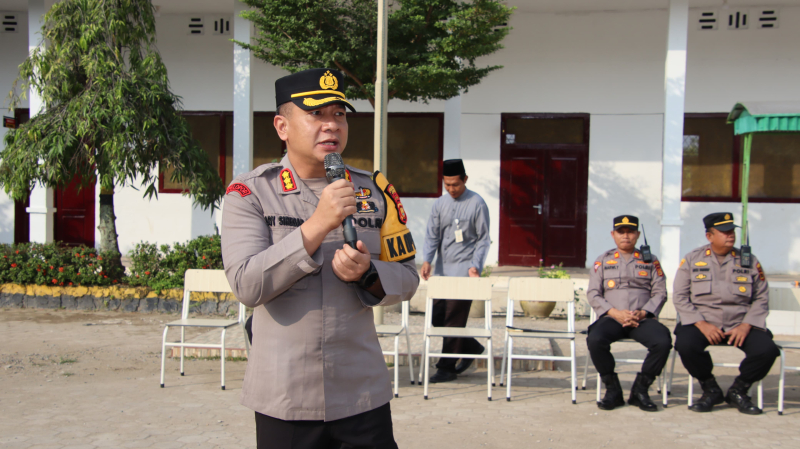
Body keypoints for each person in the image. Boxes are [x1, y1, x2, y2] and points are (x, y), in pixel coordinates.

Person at [221, 68, 420, 448]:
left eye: (339, 114)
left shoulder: (375, 192)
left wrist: (369, 273)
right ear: (282, 126)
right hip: (286, 396)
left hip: (361, 392)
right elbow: (247, 284)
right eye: (316, 114)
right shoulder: (250, 193)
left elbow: (408, 277)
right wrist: (317, 225)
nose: (331, 126)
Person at [673, 212, 779, 415]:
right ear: (709, 236)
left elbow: (761, 298)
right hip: (703, 322)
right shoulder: (692, 259)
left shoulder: (749, 261)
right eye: (723, 232)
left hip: (740, 323)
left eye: (731, 231)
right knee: (685, 345)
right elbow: (680, 296)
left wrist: (747, 324)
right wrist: (701, 323)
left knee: (767, 350)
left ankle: (739, 390)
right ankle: (710, 388)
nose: (730, 235)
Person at [586, 215, 671, 411]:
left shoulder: (650, 261)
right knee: (595, 339)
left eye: (630, 232)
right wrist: (614, 313)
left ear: (638, 235)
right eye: (621, 232)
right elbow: (593, 293)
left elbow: (660, 292)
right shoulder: (603, 260)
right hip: (612, 318)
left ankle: (641, 390)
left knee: (663, 341)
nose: (626, 236)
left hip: (642, 319)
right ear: (613, 234)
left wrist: (643, 313)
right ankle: (612, 389)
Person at [421, 159, 491, 383]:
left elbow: (483, 239)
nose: (451, 189)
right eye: (447, 184)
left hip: (464, 271)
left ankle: (446, 367)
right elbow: (432, 234)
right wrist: (427, 260)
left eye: (456, 185)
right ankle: (471, 346)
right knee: (437, 317)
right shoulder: (440, 204)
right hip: (442, 271)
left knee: (453, 320)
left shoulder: (477, 203)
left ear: (465, 180)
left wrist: (476, 265)